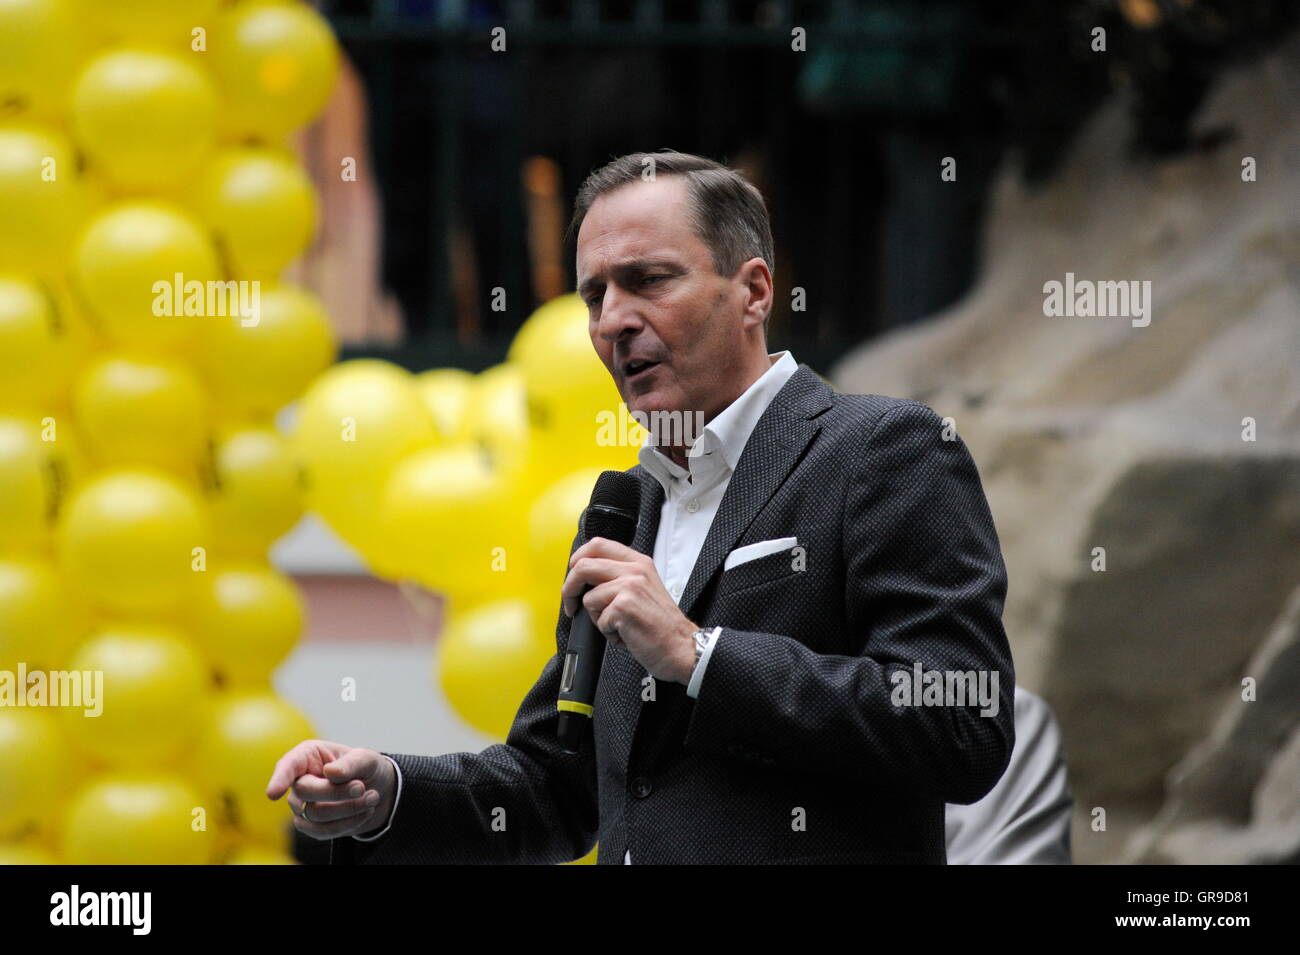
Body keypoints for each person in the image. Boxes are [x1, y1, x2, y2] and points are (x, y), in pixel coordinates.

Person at [267, 150, 1017, 864]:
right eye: (595, 293)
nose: (611, 320)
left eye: (648, 280)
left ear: (754, 291)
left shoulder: (881, 451)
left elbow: (961, 723)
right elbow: (556, 786)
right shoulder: (627, 506)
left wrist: (700, 655)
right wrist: (386, 792)